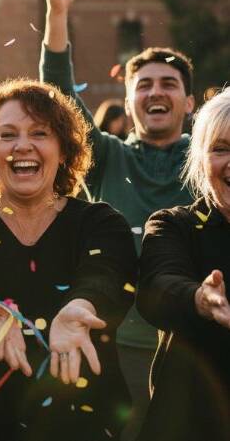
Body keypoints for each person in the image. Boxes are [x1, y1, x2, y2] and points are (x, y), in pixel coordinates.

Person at [37, 0, 195, 439]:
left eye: (169, 83)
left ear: (189, 101)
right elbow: (61, 99)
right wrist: (57, 16)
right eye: (143, 84)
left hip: (195, 340)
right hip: (121, 341)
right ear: (128, 101)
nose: (156, 92)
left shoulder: (212, 161)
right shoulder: (108, 156)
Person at [0, 79, 137, 440]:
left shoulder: (101, 223)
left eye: (40, 133)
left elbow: (105, 276)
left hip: (80, 425)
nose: (22, 145)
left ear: (64, 150)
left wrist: (80, 304)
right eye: (7, 134)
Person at [136, 87, 230, 440]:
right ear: (200, 159)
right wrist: (199, 299)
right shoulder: (175, 225)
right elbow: (157, 288)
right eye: (220, 149)